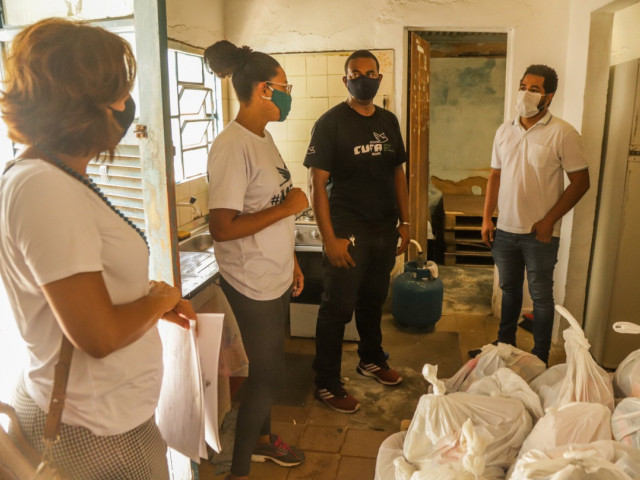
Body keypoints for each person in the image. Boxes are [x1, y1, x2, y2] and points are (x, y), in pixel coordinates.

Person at [0, 18, 195, 479]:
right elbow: (98, 335)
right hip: (93, 434)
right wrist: (159, 298)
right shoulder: (45, 188)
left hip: (105, 420)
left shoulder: (55, 177)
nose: (127, 106)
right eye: (119, 94)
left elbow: (86, 291)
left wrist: (147, 305)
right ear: (80, 105)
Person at [204, 40, 308, 480]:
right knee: (265, 377)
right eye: (285, 86)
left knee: (269, 372)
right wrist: (289, 210)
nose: (288, 94)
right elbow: (222, 226)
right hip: (250, 285)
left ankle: (263, 444)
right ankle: (239, 471)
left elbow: (270, 205)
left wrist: (293, 262)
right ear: (264, 89)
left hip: (275, 277)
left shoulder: (263, 139)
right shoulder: (232, 147)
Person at [304, 50, 410, 414]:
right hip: (347, 231)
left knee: (372, 300)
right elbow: (316, 183)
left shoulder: (389, 120)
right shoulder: (330, 122)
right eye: (354, 73)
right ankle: (327, 382)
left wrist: (406, 222)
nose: (362, 78)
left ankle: (371, 359)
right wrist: (328, 237)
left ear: (380, 78)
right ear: (345, 79)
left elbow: (398, 174)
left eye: (369, 72)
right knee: (337, 309)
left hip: (383, 229)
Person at [469, 64, 590, 365]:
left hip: (540, 233)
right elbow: (494, 176)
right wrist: (487, 218)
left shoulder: (562, 133)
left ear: (548, 96)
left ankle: (539, 359)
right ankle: (504, 347)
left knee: (540, 298)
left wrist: (550, 220)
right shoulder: (504, 130)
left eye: (534, 89)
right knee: (509, 291)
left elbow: (581, 181)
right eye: (523, 86)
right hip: (505, 231)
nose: (525, 93)